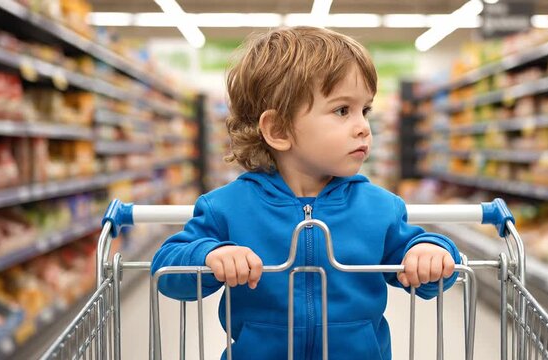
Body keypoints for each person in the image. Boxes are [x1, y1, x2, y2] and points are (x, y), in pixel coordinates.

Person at [152, 26, 461, 360]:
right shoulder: (226, 207)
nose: (363, 126)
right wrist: (209, 256)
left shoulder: (380, 207)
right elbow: (167, 270)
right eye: (342, 110)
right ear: (279, 130)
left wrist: (431, 252)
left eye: (365, 110)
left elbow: (424, 269)